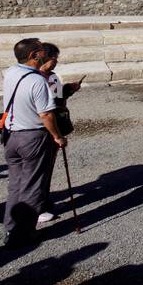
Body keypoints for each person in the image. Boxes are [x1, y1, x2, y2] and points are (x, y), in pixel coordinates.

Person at [0, 39, 66, 247]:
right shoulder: (37, 81)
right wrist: (57, 136)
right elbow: (46, 114)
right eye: (41, 50)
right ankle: (22, 234)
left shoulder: (11, 72)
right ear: (34, 55)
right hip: (32, 137)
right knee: (32, 186)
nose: (45, 53)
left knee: (16, 185)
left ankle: (11, 227)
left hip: (12, 136)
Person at [34, 42, 82, 224]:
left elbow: (59, 96)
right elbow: (45, 110)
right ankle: (36, 207)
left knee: (46, 167)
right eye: (55, 58)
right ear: (45, 57)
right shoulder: (35, 78)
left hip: (54, 124)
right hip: (41, 127)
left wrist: (70, 89)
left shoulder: (52, 77)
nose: (56, 61)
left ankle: (43, 201)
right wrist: (57, 136)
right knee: (37, 169)